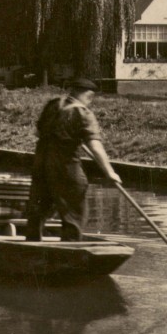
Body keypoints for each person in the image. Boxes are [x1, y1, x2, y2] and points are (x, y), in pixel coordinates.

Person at [25, 78, 121, 242]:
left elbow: (38, 134)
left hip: (41, 165)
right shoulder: (83, 113)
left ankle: (31, 247)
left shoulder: (52, 106)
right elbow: (95, 146)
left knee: (38, 210)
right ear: (89, 95)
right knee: (74, 213)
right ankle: (70, 250)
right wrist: (109, 172)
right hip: (66, 168)